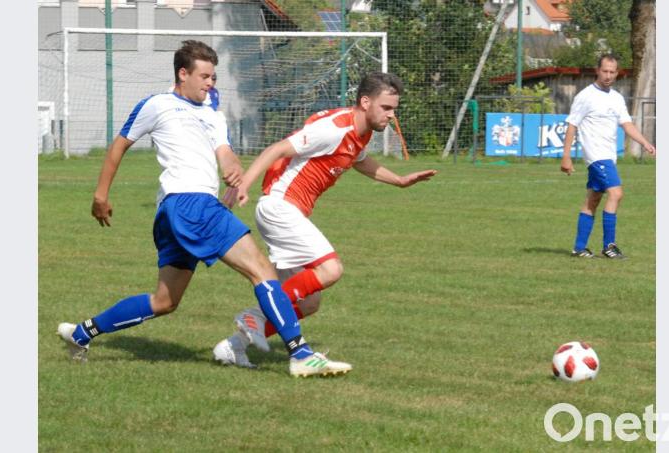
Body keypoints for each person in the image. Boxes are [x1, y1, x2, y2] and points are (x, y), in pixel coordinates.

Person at [56, 40, 351, 378]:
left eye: (214, 77)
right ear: (183, 74)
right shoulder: (157, 104)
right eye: (205, 76)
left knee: (164, 301)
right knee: (263, 271)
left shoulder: (212, 114)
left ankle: (81, 333)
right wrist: (101, 195)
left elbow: (224, 152)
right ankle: (301, 354)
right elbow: (119, 145)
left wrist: (233, 168)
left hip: (182, 211)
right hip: (190, 204)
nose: (210, 83)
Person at [212, 72, 438, 368]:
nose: (391, 115)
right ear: (365, 102)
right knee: (330, 269)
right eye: (386, 108)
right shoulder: (334, 129)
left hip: (287, 211)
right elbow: (277, 149)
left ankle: (233, 347)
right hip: (280, 207)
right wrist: (243, 185)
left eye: (394, 109)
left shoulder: (361, 132)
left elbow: (360, 160)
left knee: (309, 302)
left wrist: (399, 180)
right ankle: (256, 317)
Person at [561, 54, 656, 259]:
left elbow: (626, 124)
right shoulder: (585, 96)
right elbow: (572, 125)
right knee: (616, 194)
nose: (608, 75)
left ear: (616, 73)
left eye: (612, 72)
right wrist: (566, 156)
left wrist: (644, 142)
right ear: (597, 70)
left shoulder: (616, 98)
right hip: (597, 156)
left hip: (608, 156)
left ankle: (579, 248)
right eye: (605, 71)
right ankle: (609, 246)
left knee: (593, 199)